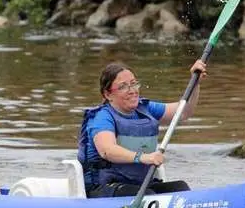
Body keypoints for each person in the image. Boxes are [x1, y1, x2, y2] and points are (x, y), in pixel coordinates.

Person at [77, 60, 207, 198]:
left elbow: (184, 112)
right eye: (123, 87)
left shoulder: (145, 108)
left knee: (180, 188)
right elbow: (107, 151)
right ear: (108, 94)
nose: (132, 91)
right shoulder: (102, 117)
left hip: (139, 184)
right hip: (105, 187)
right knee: (147, 195)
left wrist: (195, 83)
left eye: (134, 84)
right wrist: (143, 157)